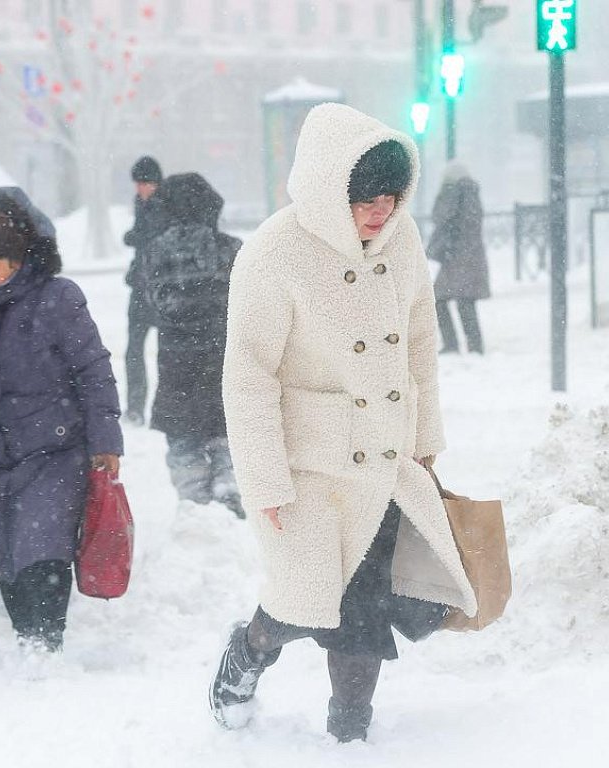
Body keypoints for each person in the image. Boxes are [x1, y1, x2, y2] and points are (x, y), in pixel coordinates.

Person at [211, 103, 477, 742]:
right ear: (330, 189)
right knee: (300, 604)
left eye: (390, 197)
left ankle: (350, 731)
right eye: (365, 199)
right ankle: (250, 648)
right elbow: (248, 377)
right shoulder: (274, 253)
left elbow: (418, 337)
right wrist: (267, 483)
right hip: (309, 466)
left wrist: (424, 440)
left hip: (383, 458)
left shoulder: (401, 238)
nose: (380, 212)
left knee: (364, 609)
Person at [0, 187, 123, 653]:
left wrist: (105, 441)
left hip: (51, 448)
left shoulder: (57, 298)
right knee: (5, 552)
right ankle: (27, 637)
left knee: (43, 545)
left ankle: (43, 639)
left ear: (18, 261)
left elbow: (94, 371)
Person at [141, 172, 244, 517]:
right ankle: (228, 489)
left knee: (183, 437)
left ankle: (193, 503)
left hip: (176, 363)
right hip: (223, 359)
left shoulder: (153, 254)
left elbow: (154, 306)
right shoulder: (231, 250)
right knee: (225, 430)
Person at [426, 161, 490, 354]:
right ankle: (474, 345)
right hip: (470, 255)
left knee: (441, 300)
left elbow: (442, 217)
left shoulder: (452, 193)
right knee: (464, 301)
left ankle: (453, 344)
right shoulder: (472, 194)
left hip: (455, 256)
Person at [123, 155, 168, 425]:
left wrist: (134, 237)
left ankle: (154, 409)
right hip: (141, 287)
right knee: (134, 351)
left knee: (162, 352)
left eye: (144, 183)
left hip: (158, 289)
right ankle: (136, 408)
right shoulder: (142, 203)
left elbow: (149, 238)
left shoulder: (163, 206)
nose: (140, 189)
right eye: (137, 184)